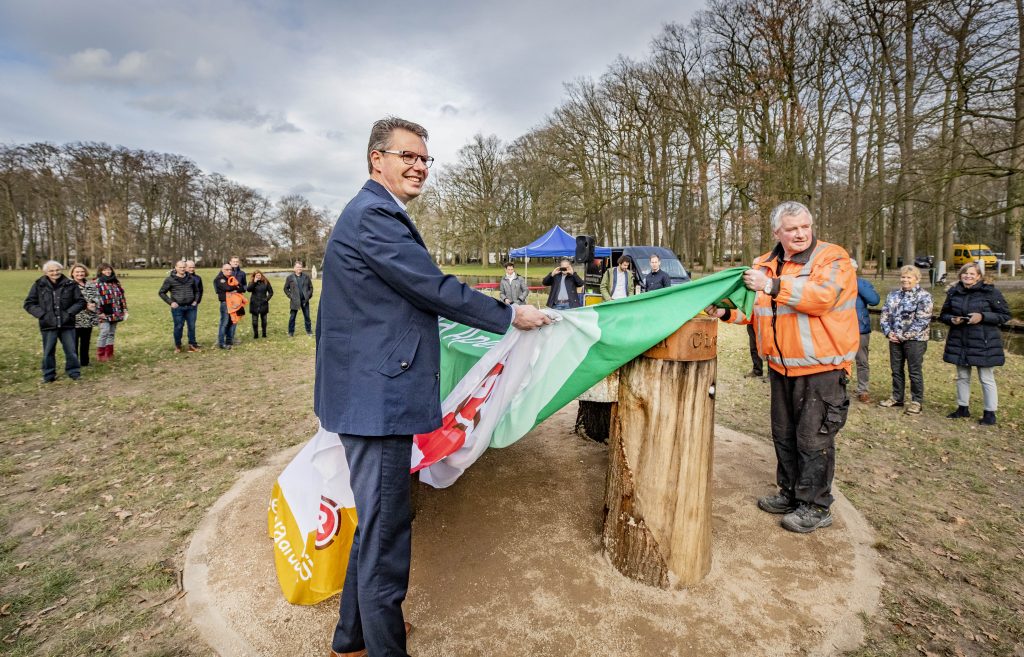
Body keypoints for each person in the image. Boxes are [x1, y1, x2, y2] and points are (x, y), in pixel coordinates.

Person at [316, 117, 550, 657]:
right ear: (377, 159)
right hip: (376, 399)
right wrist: (510, 313)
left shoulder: (373, 213)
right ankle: (384, 646)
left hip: (371, 391)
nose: (419, 166)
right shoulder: (374, 214)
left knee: (376, 521)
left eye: (425, 159)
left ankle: (353, 637)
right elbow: (430, 286)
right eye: (407, 156)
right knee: (387, 530)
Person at [705, 201, 857, 534]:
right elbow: (753, 311)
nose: (801, 233)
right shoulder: (764, 264)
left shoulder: (832, 258)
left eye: (805, 226)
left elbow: (821, 298)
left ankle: (816, 505)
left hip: (822, 369)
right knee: (784, 435)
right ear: (778, 232)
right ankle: (790, 494)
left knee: (813, 439)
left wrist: (771, 286)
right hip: (781, 367)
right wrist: (725, 313)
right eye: (792, 229)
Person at [939, 262, 1011, 425]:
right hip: (960, 340)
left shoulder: (991, 292)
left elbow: (1005, 315)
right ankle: (962, 408)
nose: (968, 276)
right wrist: (952, 319)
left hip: (983, 342)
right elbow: (943, 314)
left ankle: (990, 413)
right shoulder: (953, 292)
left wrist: (983, 316)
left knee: (986, 378)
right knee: (962, 376)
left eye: (972, 274)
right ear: (960, 275)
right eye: (965, 273)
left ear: (979, 276)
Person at [877, 266, 932, 414]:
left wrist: (903, 335)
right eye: (903, 277)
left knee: (914, 371)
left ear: (917, 279)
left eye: (909, 277)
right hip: (894, 338)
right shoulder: (893, 295)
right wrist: (888, 332)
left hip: (915, 340)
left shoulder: (924, 296)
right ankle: (897, 397)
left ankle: (916, 401)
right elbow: (885, 315)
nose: (905, 280)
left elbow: (922, 320)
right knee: (896, 369)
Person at [23, 260, 86, 382]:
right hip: (48, 324)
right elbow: (29, 304)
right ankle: (48, 374)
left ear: (61, 270)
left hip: (67, 324)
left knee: (71, 351)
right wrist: (42, 315)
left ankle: (74, 372)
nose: (55, 272)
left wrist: (68, 313)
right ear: (46, 272)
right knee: (48, 351)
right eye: (51, 270)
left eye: (57, 270)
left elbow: (80, 301)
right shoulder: (38, 285)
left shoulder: (70, 284)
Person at [852, 259, 880, 402]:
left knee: (862, 360)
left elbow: (874, 300)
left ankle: (863, 389)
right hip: (837, 328)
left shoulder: (861, 283)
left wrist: (857, 284)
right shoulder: (833, 284)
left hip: (859, 328)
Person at [159, 260, 201, 353]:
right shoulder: (170, 280)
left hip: (191, 307)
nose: (182, 269)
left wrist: (195, 301)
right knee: (178, 327)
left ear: (186, 268)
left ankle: (192, 345)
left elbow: (197, 291)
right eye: (180, 267)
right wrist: (171, 302)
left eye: (183, 267)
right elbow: (161, 292)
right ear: (176, 268)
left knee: (192, 327)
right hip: (178, 308)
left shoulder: (191, 279)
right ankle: (178, 346)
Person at [94, 263, 127, 361]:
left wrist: (124, 309)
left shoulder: (115, 282)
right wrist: (99, 312)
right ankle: (101, 354)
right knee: (104, 331)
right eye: (104, 270)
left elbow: (122, 297)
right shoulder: (97, 283)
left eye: (109, 270)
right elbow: (95, 299)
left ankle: (109, 353)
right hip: (104, 312)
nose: (107, 272)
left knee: (111, 332)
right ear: (100, 272)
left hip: (116, 311)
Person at [70, 264, 99, 366]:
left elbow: (96, 296)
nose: (80, 274)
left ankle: (85, 362)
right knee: (73, 342)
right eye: (77, 272)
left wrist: (94, 303)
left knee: (86, 341)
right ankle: (74, 362)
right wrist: (84, 305)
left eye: (82, 271)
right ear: (72, 273)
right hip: (75, 317)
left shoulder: (90, 284)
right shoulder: (69, 285)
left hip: (89, 317)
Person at [213, 263, 244, 349]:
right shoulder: (219, 279)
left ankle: (229, 341)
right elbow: (227, 288)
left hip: (235, 304)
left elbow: (242, 288)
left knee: (233, 322)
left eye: (230, 270)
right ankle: (221, 343)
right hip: (225, 304)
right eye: (227, 269)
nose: (229, 271)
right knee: (225, 323)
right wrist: (236, 288)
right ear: (222, 270)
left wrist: (235, 288)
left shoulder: (232, 278)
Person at [284, 261, 314, 337]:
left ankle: (309, 331)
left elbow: (311, 288)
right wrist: (291, 296)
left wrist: (308, 296)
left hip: (305, 300)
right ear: (294, 268)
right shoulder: (290, 278)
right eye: (297, 267)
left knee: (307, 316)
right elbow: (285, 289)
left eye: (300, 267)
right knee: (292, 317)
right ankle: (291, 332)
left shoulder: (306, 277)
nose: (299, 268)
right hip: (295, 301)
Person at [247, 269, 274, 339]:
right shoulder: (252, 282)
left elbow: (271, 292)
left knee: (264, 320)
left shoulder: (266, 282)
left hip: (263, 303)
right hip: (254, 303)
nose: (258, 276)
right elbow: (248, 289)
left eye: (259, 275)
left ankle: (264, 333)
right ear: (254, 276)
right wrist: (254, 282)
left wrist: (266, 299)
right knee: (254, 321)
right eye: (257, 275)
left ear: (261, 275)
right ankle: (256, 334)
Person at [185, 260, 204, 346]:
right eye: (190, 267)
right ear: (185, 267)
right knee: (179, 326)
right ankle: (178, 344)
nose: (192, 269)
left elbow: (200, 291)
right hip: (180, 305)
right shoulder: (179, 277)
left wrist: (197, 301)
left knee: (191, 325)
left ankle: (192, 343)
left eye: (193, 267)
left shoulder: (197, 278)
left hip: (193, 305)